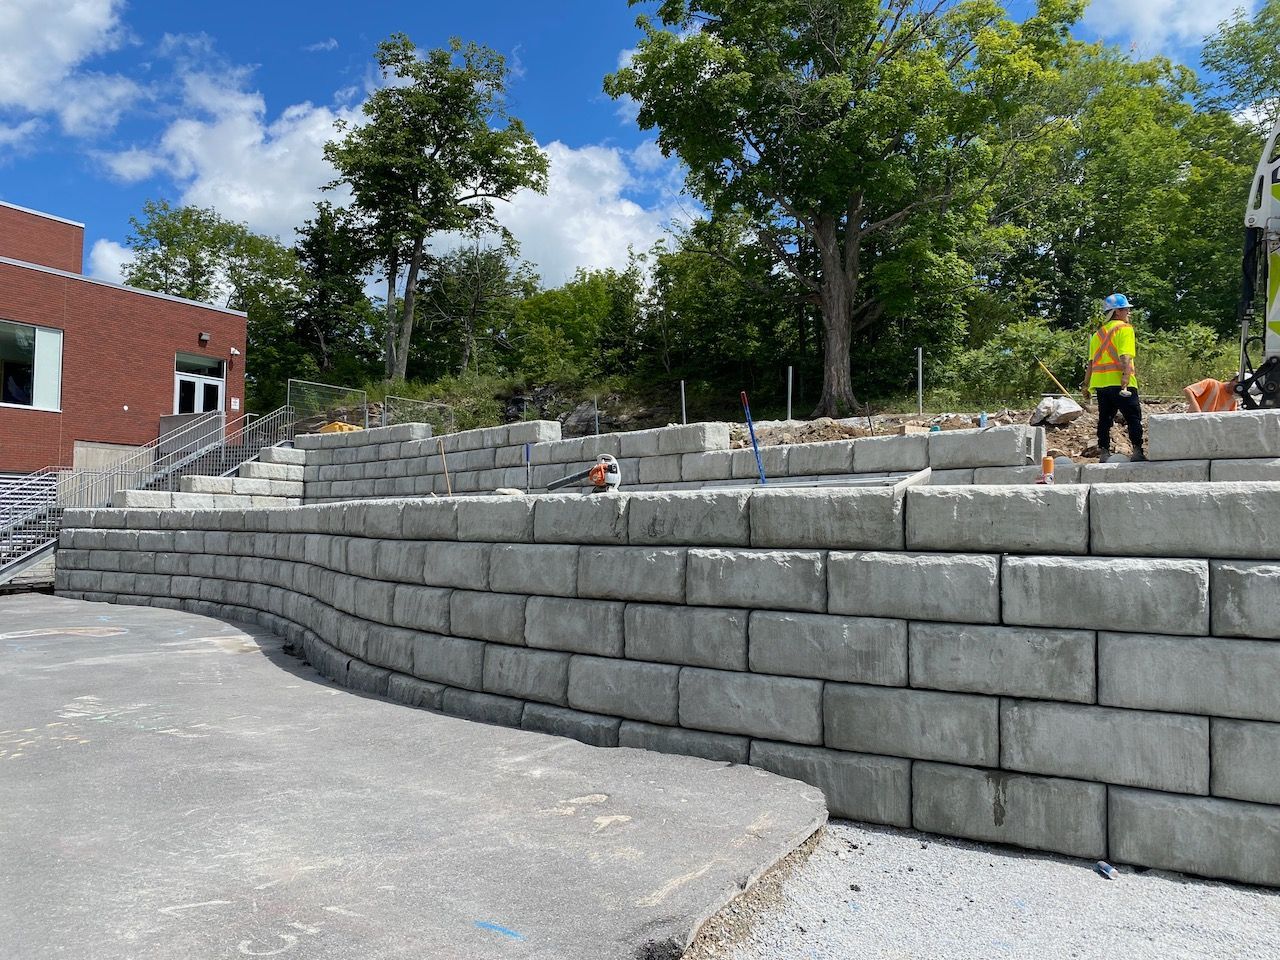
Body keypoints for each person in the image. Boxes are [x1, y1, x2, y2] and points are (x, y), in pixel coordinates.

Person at [1084, 293, 1146, 461]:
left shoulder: (1098, 334)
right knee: (1133, 418)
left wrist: (1086, 385)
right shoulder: (1125, 329)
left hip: (1101, 385)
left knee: (1104, 419)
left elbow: (1090, 363)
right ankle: (1137, 451)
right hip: (1121, 383)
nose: (1129, 313)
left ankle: (1104, 451)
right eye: (1126, 309)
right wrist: (1125, 377)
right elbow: (1125, 356)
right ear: (1117, 312)